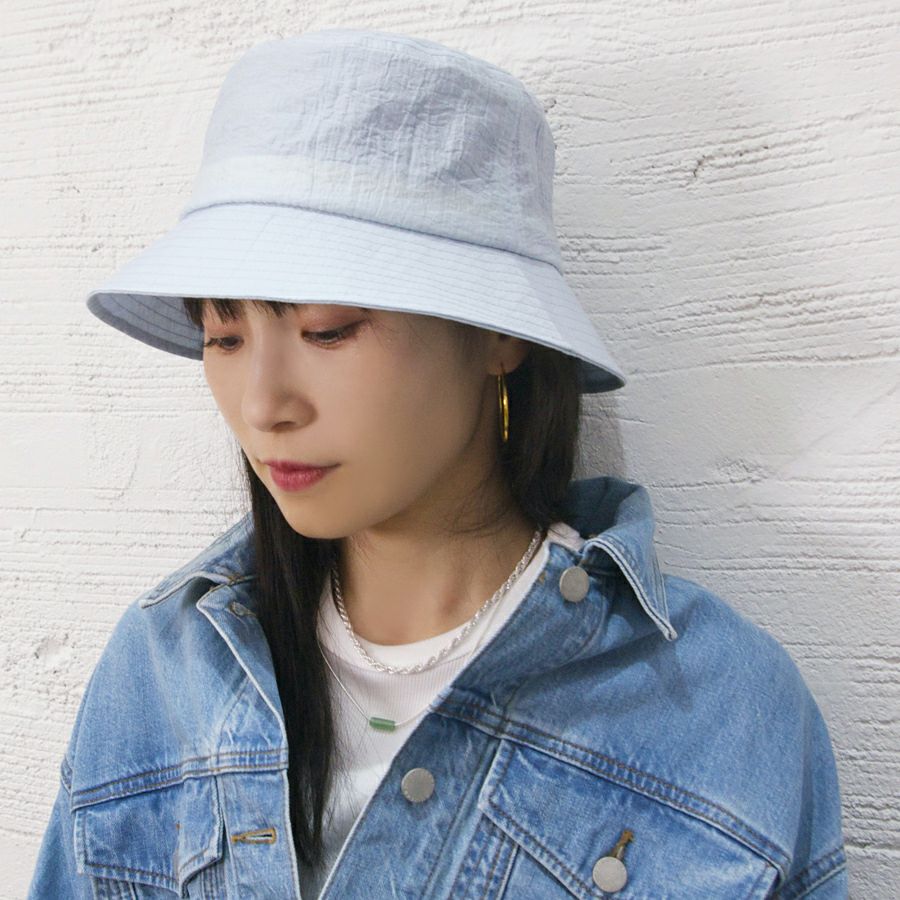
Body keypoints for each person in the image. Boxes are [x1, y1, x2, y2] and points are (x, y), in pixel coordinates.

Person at [27, 28, 847, 899]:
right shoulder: (163, 671)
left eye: (327, 330)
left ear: (497, 336)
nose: (263, 404)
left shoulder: (722, 713)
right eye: (223, 336)